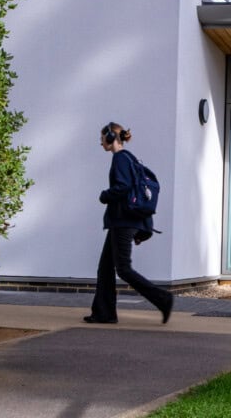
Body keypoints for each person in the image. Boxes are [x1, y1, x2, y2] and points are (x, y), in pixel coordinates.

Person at [84, 121, 173, 325]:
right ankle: (104, 313)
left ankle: (163, 299)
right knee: (105, 268)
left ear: (110, 137)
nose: (100, 143)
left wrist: (105, 195)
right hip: (121, 221)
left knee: (123, 268)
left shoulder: (120, 159)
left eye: (102, 139)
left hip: (123, 221)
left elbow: (123, 188)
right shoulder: (129, 158)